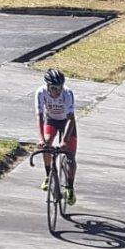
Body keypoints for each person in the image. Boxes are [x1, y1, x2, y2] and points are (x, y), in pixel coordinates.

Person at [35, 68, 78, 205]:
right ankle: (49, 175)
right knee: (46, 144)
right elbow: (39, 117)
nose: (57, 91)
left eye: (60, 87)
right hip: (51, 120)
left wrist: (64, 141)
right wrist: (41, 139)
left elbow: (71, 119)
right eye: (54, 88)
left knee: (70, 156)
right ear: (47, 86)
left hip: (67, 122)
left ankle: (70, 187)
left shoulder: (67, 93)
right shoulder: (40, 93)